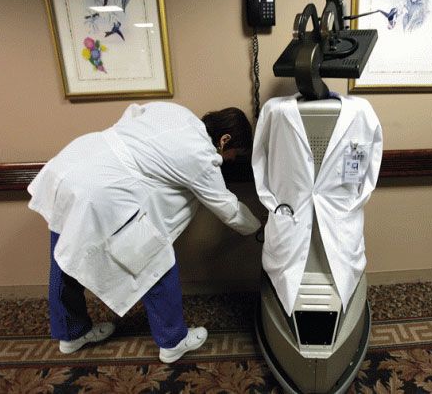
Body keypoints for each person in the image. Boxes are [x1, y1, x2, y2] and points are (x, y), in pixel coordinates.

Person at [27, 102, 261, 363]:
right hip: (99, 190)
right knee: (155, 261)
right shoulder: (202, 156)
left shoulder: (176, 112)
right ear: (224, 139)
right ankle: (173, 341)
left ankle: (72, 332)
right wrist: (262, 228)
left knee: (65, 256)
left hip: (74, 163)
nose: (232, 160)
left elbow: (133, 111)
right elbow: (228, 209)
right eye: (235, 153)